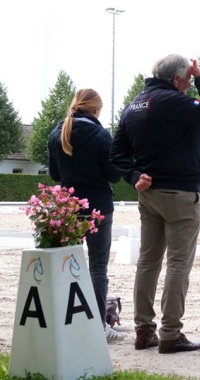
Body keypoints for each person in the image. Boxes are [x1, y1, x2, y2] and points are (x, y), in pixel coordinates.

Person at [110, 54, 200, 354]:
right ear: (176, 79)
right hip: (180, 194)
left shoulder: (133, 105)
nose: (189, 85)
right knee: (178, 263)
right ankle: (171, 334)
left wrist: (134, 175)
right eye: (187, 80)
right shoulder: (171, 100)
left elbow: (117, 153)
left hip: (148, 195)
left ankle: (143, 331)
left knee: (147, 263)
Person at [48, 88, 123, 342]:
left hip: (68, 208)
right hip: (98, 207)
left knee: (67, 265)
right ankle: (98, 324)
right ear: (94, 110)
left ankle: (66, 318)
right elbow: (113, 175)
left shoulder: (57, 133)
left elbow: (55, 175)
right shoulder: (102, 136)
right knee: (98, 266)